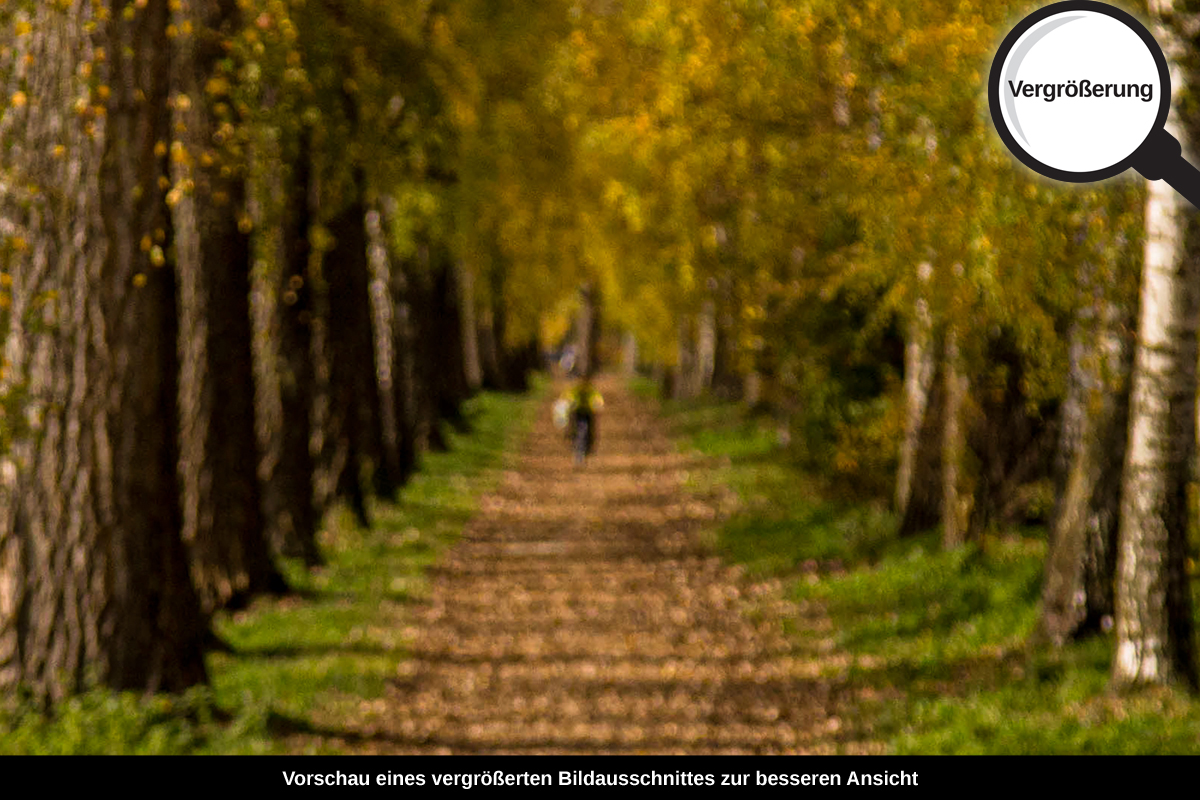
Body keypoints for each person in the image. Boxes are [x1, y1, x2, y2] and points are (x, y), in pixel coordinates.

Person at [561, 379, 604, 465]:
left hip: (588, 413)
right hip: (577, 413)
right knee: (574, 429)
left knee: (590, 430)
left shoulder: (590, 390)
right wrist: (569, 403)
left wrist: (598, 405)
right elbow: (568, 397)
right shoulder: (575, 390)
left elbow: (598, 399)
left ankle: (589, 446)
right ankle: (573, 442)